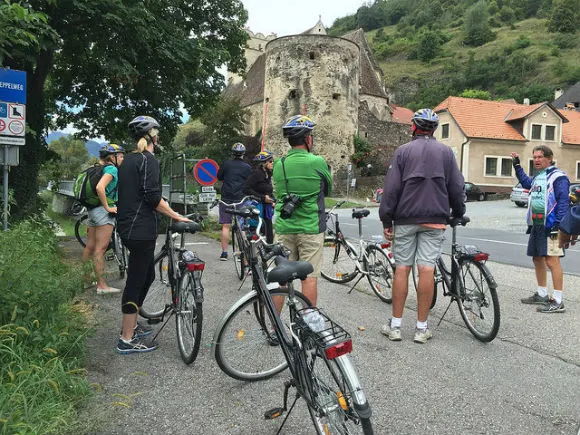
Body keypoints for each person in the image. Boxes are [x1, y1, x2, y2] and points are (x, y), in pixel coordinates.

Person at [379, 108, 465, 344]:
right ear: (434, 129)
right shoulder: (446, 152)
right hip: (435, 219)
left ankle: (395, 326)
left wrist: (387, 219)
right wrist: (458, 212)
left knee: (402, 269)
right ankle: (421, 328)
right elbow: (457, 187)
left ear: (414, 127)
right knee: (427, 269)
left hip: (406, 218)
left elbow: (392, 189)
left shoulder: (403, 152)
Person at [116, 115, 191, 354]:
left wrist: (165, 205)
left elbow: (140, 194)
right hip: (141, 230)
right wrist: (177, 216)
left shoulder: (127, 160)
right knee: (137, 281)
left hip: (129, 227)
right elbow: (151, 197)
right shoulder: (149, 160)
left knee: (147, 276)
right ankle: (126, 339)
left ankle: (131, 325)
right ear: (153, 136)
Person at [272, 115, 332, 307]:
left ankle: (275, 329)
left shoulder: (278, 164)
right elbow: (328, 189)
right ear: (308, 139)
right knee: (309, 277)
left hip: (284, 227)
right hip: (310, 228)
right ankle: (309, 324)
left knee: (281, 279)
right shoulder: (317, 162)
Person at [511, 146, 569, 313]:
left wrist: (558, 224)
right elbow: (526, 182)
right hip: (537, 224)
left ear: (550, 158)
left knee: (552, 260)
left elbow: (563, 201)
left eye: (540, 157)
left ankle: (557, 300)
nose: (536, 160)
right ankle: (542, 293)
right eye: (535, 157)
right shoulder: (539, 177)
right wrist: (517, 166)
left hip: (551, 225)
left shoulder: (559, 177)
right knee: (537, 258)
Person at [82, 144, 125, 295]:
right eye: (120, 156)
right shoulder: (112, 169)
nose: (122, 158)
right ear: (112, 157)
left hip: (93, 209)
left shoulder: (99, 168)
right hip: (102, 212)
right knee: (100, 248)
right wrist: (107, 207)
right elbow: (101, 187)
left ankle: (86, 280)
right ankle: (102, 286)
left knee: (91, 246)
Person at [217, 143, 252, 260]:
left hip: (226, 199)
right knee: (241, 227)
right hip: (240, 199)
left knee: (226, 226)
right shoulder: (247, 167)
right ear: (243, 154)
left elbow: (219, 177)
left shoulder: (226, 164)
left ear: (232, 153)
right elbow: (250, 182)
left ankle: (224, 253)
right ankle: (240, 252)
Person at [243, 150, 276, 243]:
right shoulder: (257, 173)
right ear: (264, 163)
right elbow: (246, 189)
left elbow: (267, 190)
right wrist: (262, 198)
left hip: (267, 207)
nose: (272, 163)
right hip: (258, 206)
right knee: (259, 231)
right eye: (270, 161)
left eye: (272, 161)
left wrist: (273, 200)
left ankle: (268, 250)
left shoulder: (267, 174)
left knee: (269, 230)